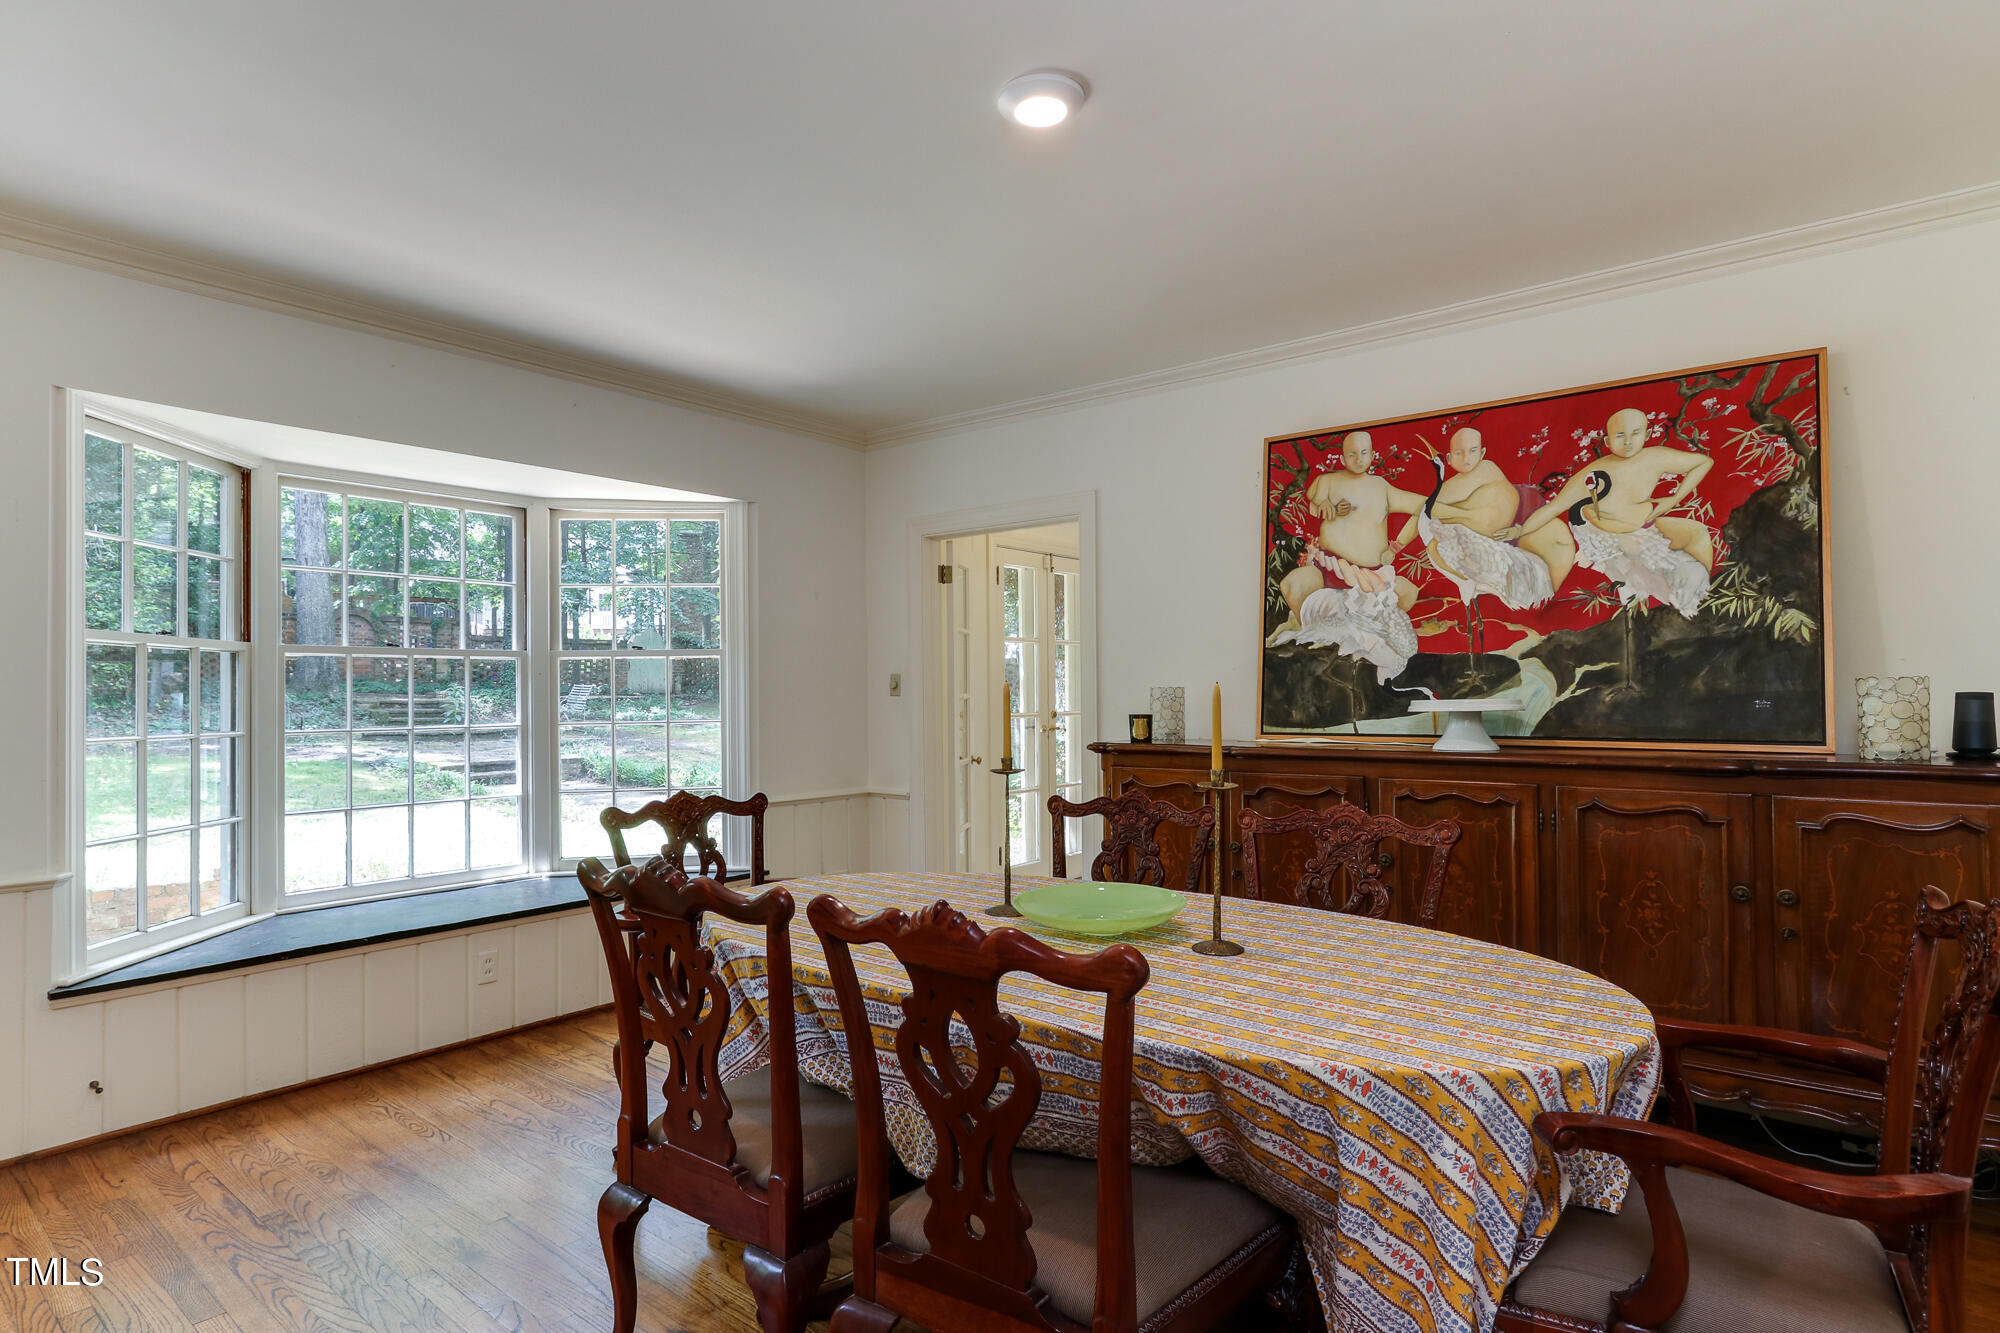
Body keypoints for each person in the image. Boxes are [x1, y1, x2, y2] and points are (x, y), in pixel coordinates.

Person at [1502, 407, 1715, 617]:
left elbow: (1704, 462)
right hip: (1611, 536)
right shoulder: (1596, 473)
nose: (1628, 441)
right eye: (1620, 435)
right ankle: (1670, 605)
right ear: (1608, 442)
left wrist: (1674, 499)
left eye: (1635, 433)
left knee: (1698, 534)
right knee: (1650, 575)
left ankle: (1703, 595)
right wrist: (1519, 530)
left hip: (1646, 525)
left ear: (1647, 435)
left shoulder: (1656, 457)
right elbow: (1554, 507)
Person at [1268, 432, 1425, 682]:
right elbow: (1312, 504)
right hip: (1329, 569)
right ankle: (1321, 642)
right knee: (1292, 585)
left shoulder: (1381, 487)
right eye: (1352, 454)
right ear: (1342, 457)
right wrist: (1325, 508)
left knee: (1408, 592)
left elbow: (1424, 507)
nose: (1358, 459)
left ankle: (1375, 653)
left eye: (1364, 453)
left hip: (1370, 576)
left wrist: (1396, 547)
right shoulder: (1327, 481)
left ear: (1373, 455)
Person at [1391, 427, 1555, 612]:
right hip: (1472, 545)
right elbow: (1426, 508)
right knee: (1434, 544)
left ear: (1482, 453)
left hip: (1483, 546)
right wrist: (1399, 542)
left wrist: (1400, 542)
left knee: (1434, 543)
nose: (1466, 458)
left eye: (1472, 451)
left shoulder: (1485, 469)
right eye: (1459, 453)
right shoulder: (1459, 483)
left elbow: (1425, 507)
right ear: (1450, 459)